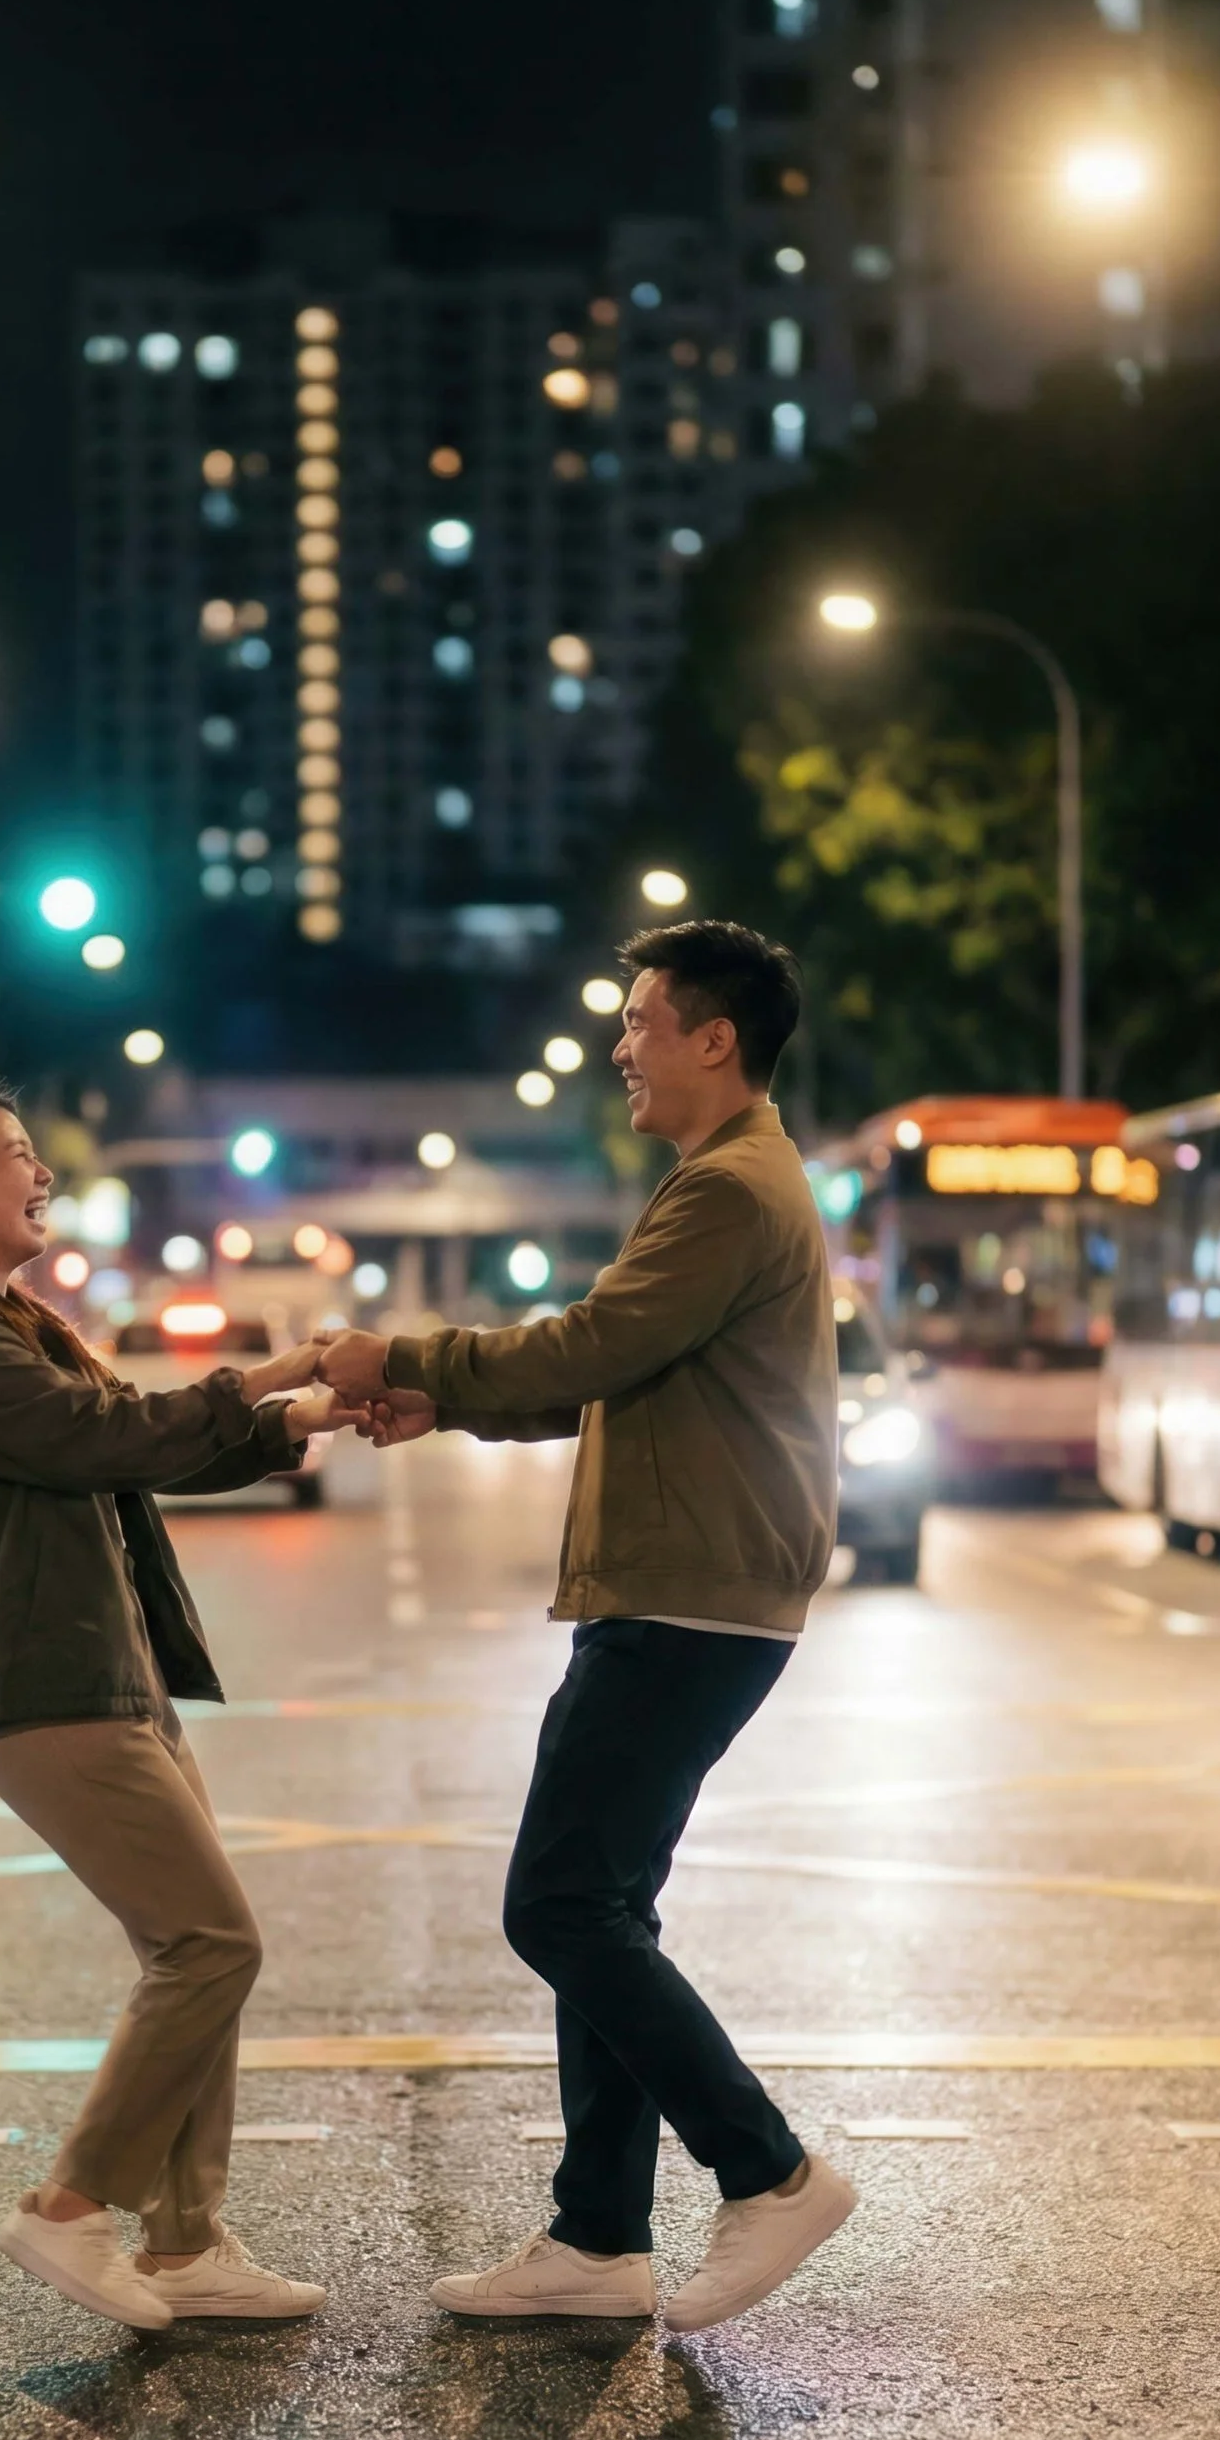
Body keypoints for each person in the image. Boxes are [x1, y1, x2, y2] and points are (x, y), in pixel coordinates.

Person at [322, 920, 854, 2333]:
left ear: (713, 1037)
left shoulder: (730, 1188)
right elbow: (625, 1364)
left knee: (557, 1904)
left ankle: (770, 2169)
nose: (622, 1044)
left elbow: (598, 1340)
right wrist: (451, 1399)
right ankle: (599, 2233)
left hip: (688, 1591)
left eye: (640, 1020)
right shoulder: (726, 1180)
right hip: (685, 1585)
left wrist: (407, 1355)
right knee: (603, 1906)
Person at [0, 1082, 360, 2335]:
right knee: (210, 1944)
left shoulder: (7, 1319)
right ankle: (72, 2208)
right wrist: (271, 1373)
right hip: (38, 1678)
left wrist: (300, 1418)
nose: (39, 1175)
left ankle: (186, 2243)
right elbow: (97, 1435)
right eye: (17, 1157)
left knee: (192, 1952)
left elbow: (141, 1443)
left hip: (106, 1669)